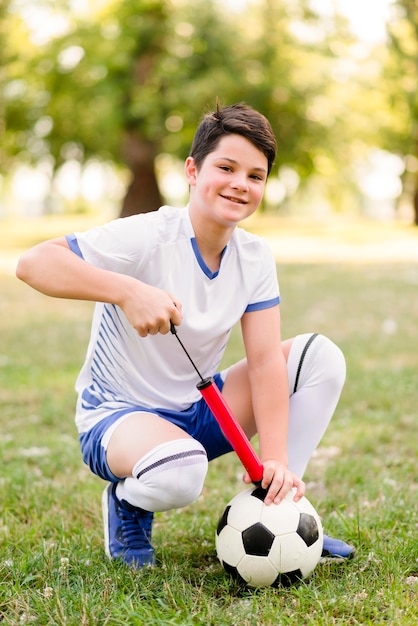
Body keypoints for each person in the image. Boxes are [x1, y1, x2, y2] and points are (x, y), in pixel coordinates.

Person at [16, 102, 354, 569]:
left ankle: (283, 515)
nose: (240, 183)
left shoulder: (255, 256)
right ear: (193, 170)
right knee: (183, 470)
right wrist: (128, 291)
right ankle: (128, 503)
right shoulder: (149, 234)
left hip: (199, 408)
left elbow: (264, 362)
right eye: (227, 167)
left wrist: (275, 459)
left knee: (321, 356)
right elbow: (32, 264)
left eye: (255, 176)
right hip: (118, 420)